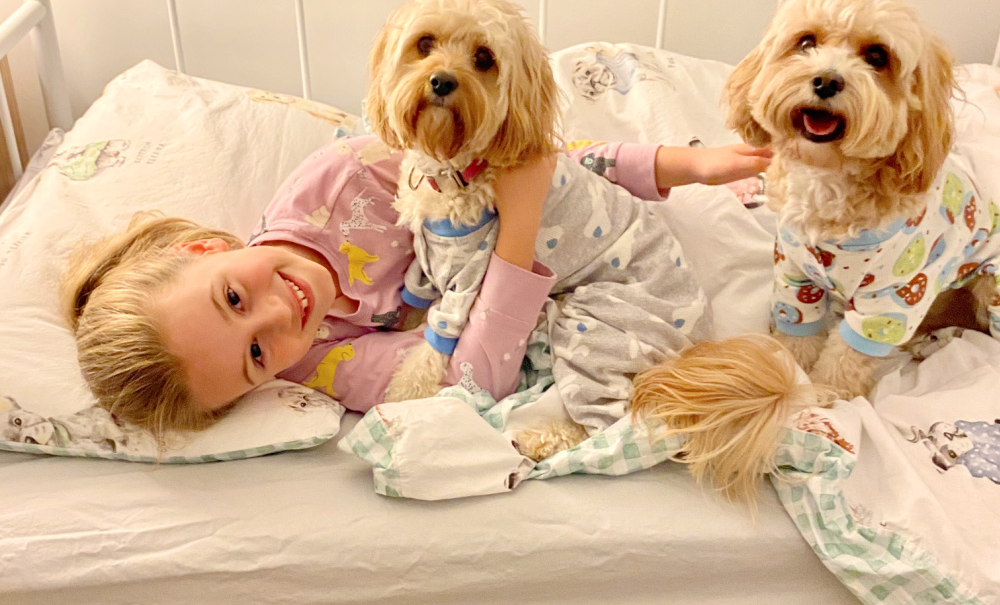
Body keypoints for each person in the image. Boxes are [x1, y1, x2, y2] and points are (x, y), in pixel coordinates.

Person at [63, 135, 770, 441]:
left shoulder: (347, 177)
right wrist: (517, 228)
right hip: (549, 259)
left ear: (204, 248)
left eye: (234, 297)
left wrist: (681, 164)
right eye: (255, 356)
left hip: (591, 217)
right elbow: (469, 384)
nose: (282, 314)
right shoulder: (317, 361)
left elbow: (528, 157)